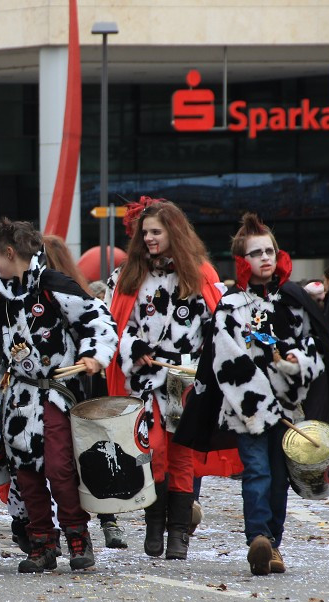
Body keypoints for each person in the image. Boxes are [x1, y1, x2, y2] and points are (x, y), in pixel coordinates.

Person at [182, 213, 329, 576]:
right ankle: (258, 538)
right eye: (256, 253)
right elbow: (226, 360)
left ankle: (273, 545)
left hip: (289, 409)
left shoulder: (293, 301)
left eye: (269, 251)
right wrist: (259, 403)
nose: (265, 258)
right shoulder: (230, 306)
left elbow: (317, 346)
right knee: (257, 471)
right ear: (242, 261)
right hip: (247, 411)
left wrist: (298, 363)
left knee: (279, 477)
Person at [0, 218, 117, 573]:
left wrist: (94, 355)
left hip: (55, 395)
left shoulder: (52, 285)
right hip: (18, 401)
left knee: (59, 468)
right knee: (25, 474)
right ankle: (42, 543)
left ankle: (77, 536)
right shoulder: (2, 301)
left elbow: (98, 318)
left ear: (9, 252)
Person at [107, 198, 223, 560]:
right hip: (147, 381)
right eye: (146, 233)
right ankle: (154, 523)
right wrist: (132, 344)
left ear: (174, 232)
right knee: (152, 449)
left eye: (156, 232)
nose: (150, 239)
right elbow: (112, 324)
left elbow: (218, 327)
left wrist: (205, 368)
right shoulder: (130, 274)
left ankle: (178, 533)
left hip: (187, 380)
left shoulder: (200, 274)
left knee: (183, 456)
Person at [42, 234, 127, 550]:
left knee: (81, 457)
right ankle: (102, 523)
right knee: (74, 457)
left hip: (78, 386)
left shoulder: (70, 296)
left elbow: (99, 333)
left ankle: (103, 522)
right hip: (69, 388)